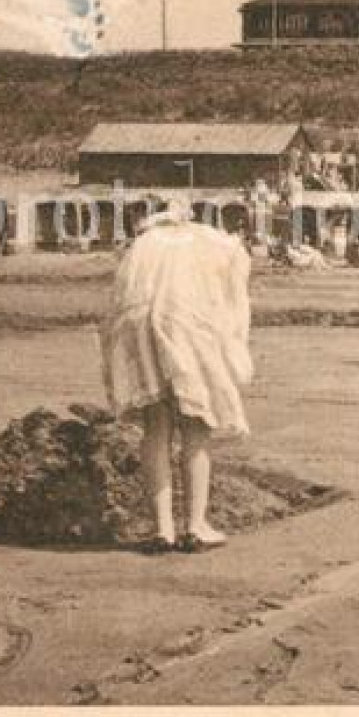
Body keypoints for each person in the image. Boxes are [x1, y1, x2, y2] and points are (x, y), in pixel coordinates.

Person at [100, 202, 253, 554]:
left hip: (139, 326)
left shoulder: (145, 243)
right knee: (196, 425)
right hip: (186, 324)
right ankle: (195, 526)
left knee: (156, 425)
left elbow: (120, 296)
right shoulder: (213, 241)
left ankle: (162, 530)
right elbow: (233, 294)